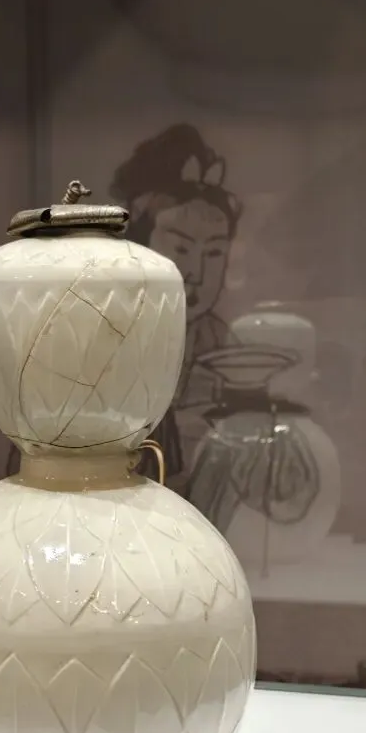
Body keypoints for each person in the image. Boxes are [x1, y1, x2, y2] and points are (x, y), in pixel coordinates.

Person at [110, 124, 241, 488]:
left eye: (214, 253)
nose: (196, 272)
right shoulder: (110, 332)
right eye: (181, 249)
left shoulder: (221, 341)